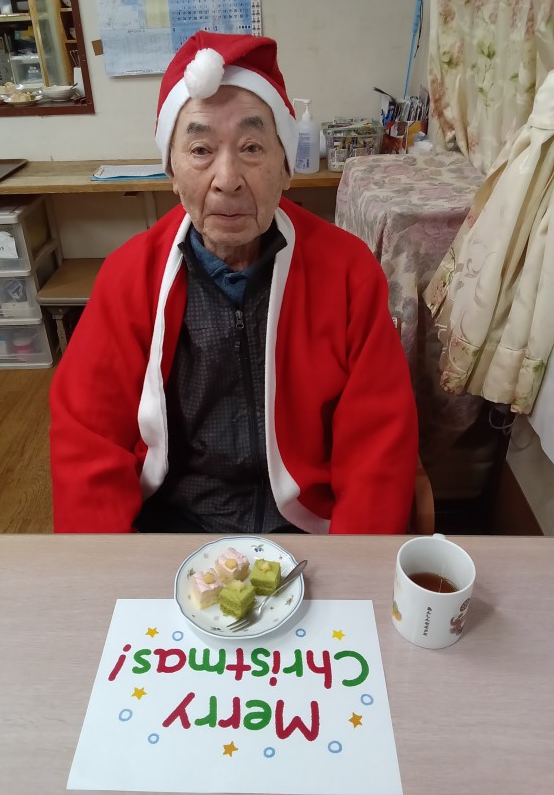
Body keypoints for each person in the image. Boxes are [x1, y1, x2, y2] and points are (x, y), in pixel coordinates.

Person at [50, 31, 418, 534]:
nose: (227, 178)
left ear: (286, 167)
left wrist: (356, 566)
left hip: (308, 528)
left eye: (251, 147)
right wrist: (109, 567)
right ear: (172, 171)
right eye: (201, 149)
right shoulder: (128, 278)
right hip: (176, 526)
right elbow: (86, 441)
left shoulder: (350, 272)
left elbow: (379, 443)